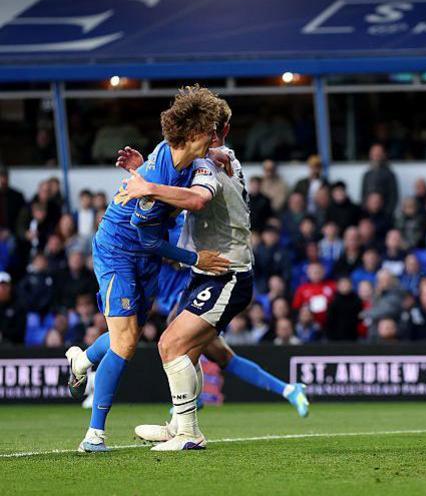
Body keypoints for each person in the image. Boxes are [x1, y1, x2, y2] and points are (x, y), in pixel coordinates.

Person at [104, 102, 310, 450]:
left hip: (226, 274)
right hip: (205, 272)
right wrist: (147, 174)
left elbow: (197, 201)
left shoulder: (213, 165)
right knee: (189, 347)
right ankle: (179, 426)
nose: (208, 137)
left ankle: (188, 434)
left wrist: (147, 188)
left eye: (213, 131)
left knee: (171, 344)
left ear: (222, 132)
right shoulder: (207, 159)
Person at [62, 85, 231, 453]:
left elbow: (157, 230)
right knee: (124, 342)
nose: (215, 136)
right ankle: (94, 434)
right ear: (192, 133)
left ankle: (81, 360)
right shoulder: (161, 173)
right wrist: (194, 259)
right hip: (119, 250)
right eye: (211, 130)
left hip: (146, 255)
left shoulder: (175, 160)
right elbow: (149, 239)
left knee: (130, 335)